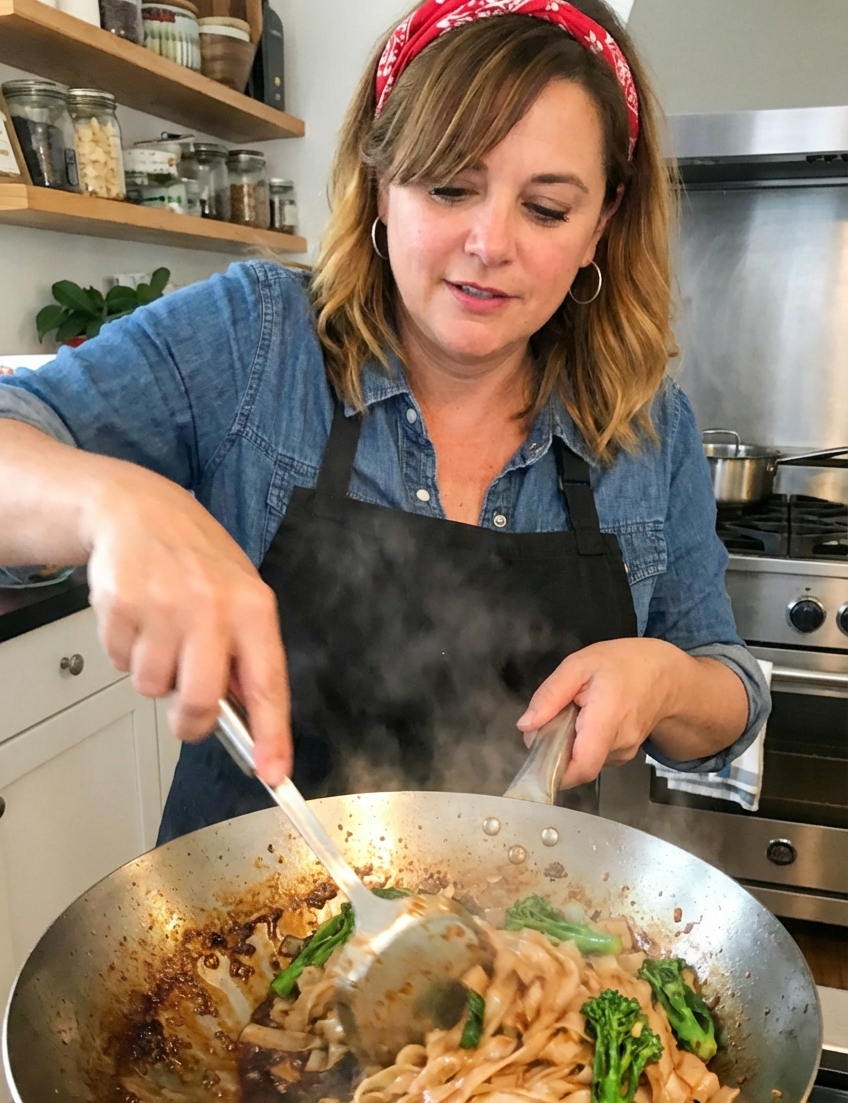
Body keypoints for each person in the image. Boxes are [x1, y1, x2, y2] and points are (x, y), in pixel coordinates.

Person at [0, 0, 769, 844]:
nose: (489, 242)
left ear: (601, 225)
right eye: (449, 186)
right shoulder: (255, 341)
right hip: (237, 930)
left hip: (527, 925)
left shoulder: (648, 427)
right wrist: (112, 506)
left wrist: (666, 681)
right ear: (380, 182)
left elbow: (725, 696)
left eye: (546, 209)